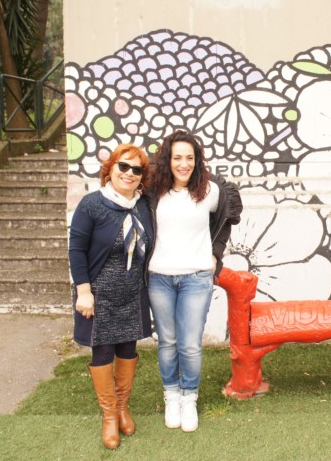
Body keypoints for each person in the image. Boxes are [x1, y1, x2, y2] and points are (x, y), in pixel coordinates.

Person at [146, 130, 242, 433]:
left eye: (190, 158)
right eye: (177, 158)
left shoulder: (209, 191)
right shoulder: (154, 191)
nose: (184, 164)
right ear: (167, 160)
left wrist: (216, 253)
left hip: (197, 278)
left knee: (189, 345)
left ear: (197, 160)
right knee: (168, 342)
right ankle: (171, 395)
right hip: (159, 277)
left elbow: (228, 217)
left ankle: (189, 397)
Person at [68, 143, 154, 449]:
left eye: (137, 169)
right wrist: (83, 292)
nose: (129, 173)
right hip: (100, 295)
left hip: (132, 294)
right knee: (103, 352)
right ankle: (108, 416)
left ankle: (122, 408)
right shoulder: (93, 204)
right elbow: (76, 249)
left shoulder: (143, 205)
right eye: (123, 166)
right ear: (110, 169)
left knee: (128, 350)